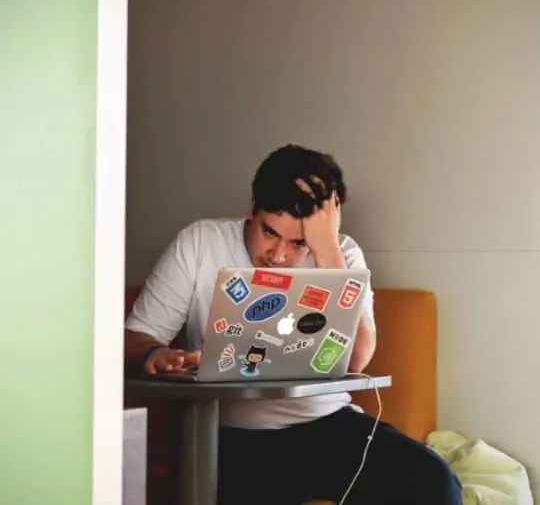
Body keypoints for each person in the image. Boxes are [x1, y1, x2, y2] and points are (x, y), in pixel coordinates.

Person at [123, 144, 462, 505]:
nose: (279, 256)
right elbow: (134, 338)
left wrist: (327, 250)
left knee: (433, 480)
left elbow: (358, 359)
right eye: (270, 233)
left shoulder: (343, 255)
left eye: (298, 242)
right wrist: (155, 353)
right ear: (252, 208)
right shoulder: (200, 243)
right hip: (226, 435)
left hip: (326, 425)